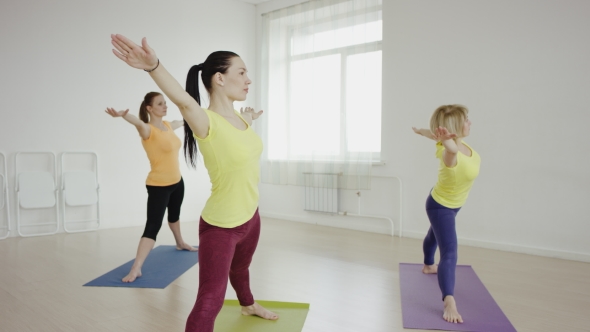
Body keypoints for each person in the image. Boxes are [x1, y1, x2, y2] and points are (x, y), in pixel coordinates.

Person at [110, 34, 278, 332]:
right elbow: (183, 100)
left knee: (241, 269)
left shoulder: (240, 119)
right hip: (221, 227)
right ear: (219, 79)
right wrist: (154, 66)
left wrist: (250, 119)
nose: (248, 79)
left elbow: (240, 141)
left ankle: (248, 304)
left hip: (252, 215)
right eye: (241, 72)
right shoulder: (205, 120)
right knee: (211, 299)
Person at [105, 92, 198, 283]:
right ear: (149, 108)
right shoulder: (147, 129)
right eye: (160, 104)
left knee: (174, 215)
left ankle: (180, 242)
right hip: (159, 186)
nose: (165, 106)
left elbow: (180, 122)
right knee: (153, 226)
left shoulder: (167, 125)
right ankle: (136, 267)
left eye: (165, 103)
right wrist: (123, 115)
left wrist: (192, 115)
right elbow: (137, 123)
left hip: (177, 181)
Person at [411, 104, 481, 324]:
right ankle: (449, 302)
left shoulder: (458, 144)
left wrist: (421, 131)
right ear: (453, 128)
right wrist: (445, 141)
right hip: (440, 206)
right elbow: (449, 150)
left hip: (453, 205)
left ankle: (427, 264)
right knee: (450, 251)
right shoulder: (448, 152)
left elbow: (433, 136)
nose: (470, 122)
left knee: (434, 235)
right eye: (466, 119)